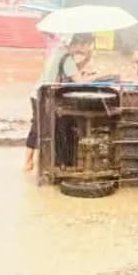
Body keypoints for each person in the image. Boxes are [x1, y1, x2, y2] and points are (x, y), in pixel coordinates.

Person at [24, 33, 97, 172]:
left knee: (40, 127)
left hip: (39, 93)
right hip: (43, 96)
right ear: (79, 45)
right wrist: (100, 76)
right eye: (87, 45)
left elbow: (70, 70)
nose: (88, 48)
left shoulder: (60, 51)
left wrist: (86, 60)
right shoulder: (66, 58)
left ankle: (36, 162)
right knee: (39, 128)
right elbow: (79, 81)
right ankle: (29, 162)